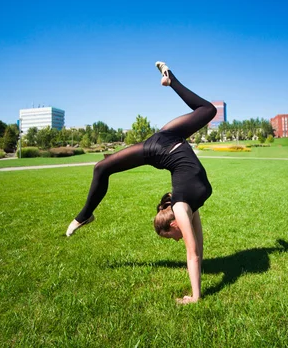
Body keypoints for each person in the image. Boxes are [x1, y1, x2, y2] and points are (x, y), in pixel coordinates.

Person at [65, 61, 217, 304]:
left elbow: (193, 252)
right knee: (101, 168)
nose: (177, 240)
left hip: (160, 145)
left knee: (210, 110)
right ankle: (86, 213)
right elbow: (197, 250)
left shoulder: (182, 206)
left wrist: (195, 297)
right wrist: (196, 292)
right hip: (167, 142)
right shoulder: (187, 207)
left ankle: (170, 80)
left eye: (172, 236)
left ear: (174, 223)